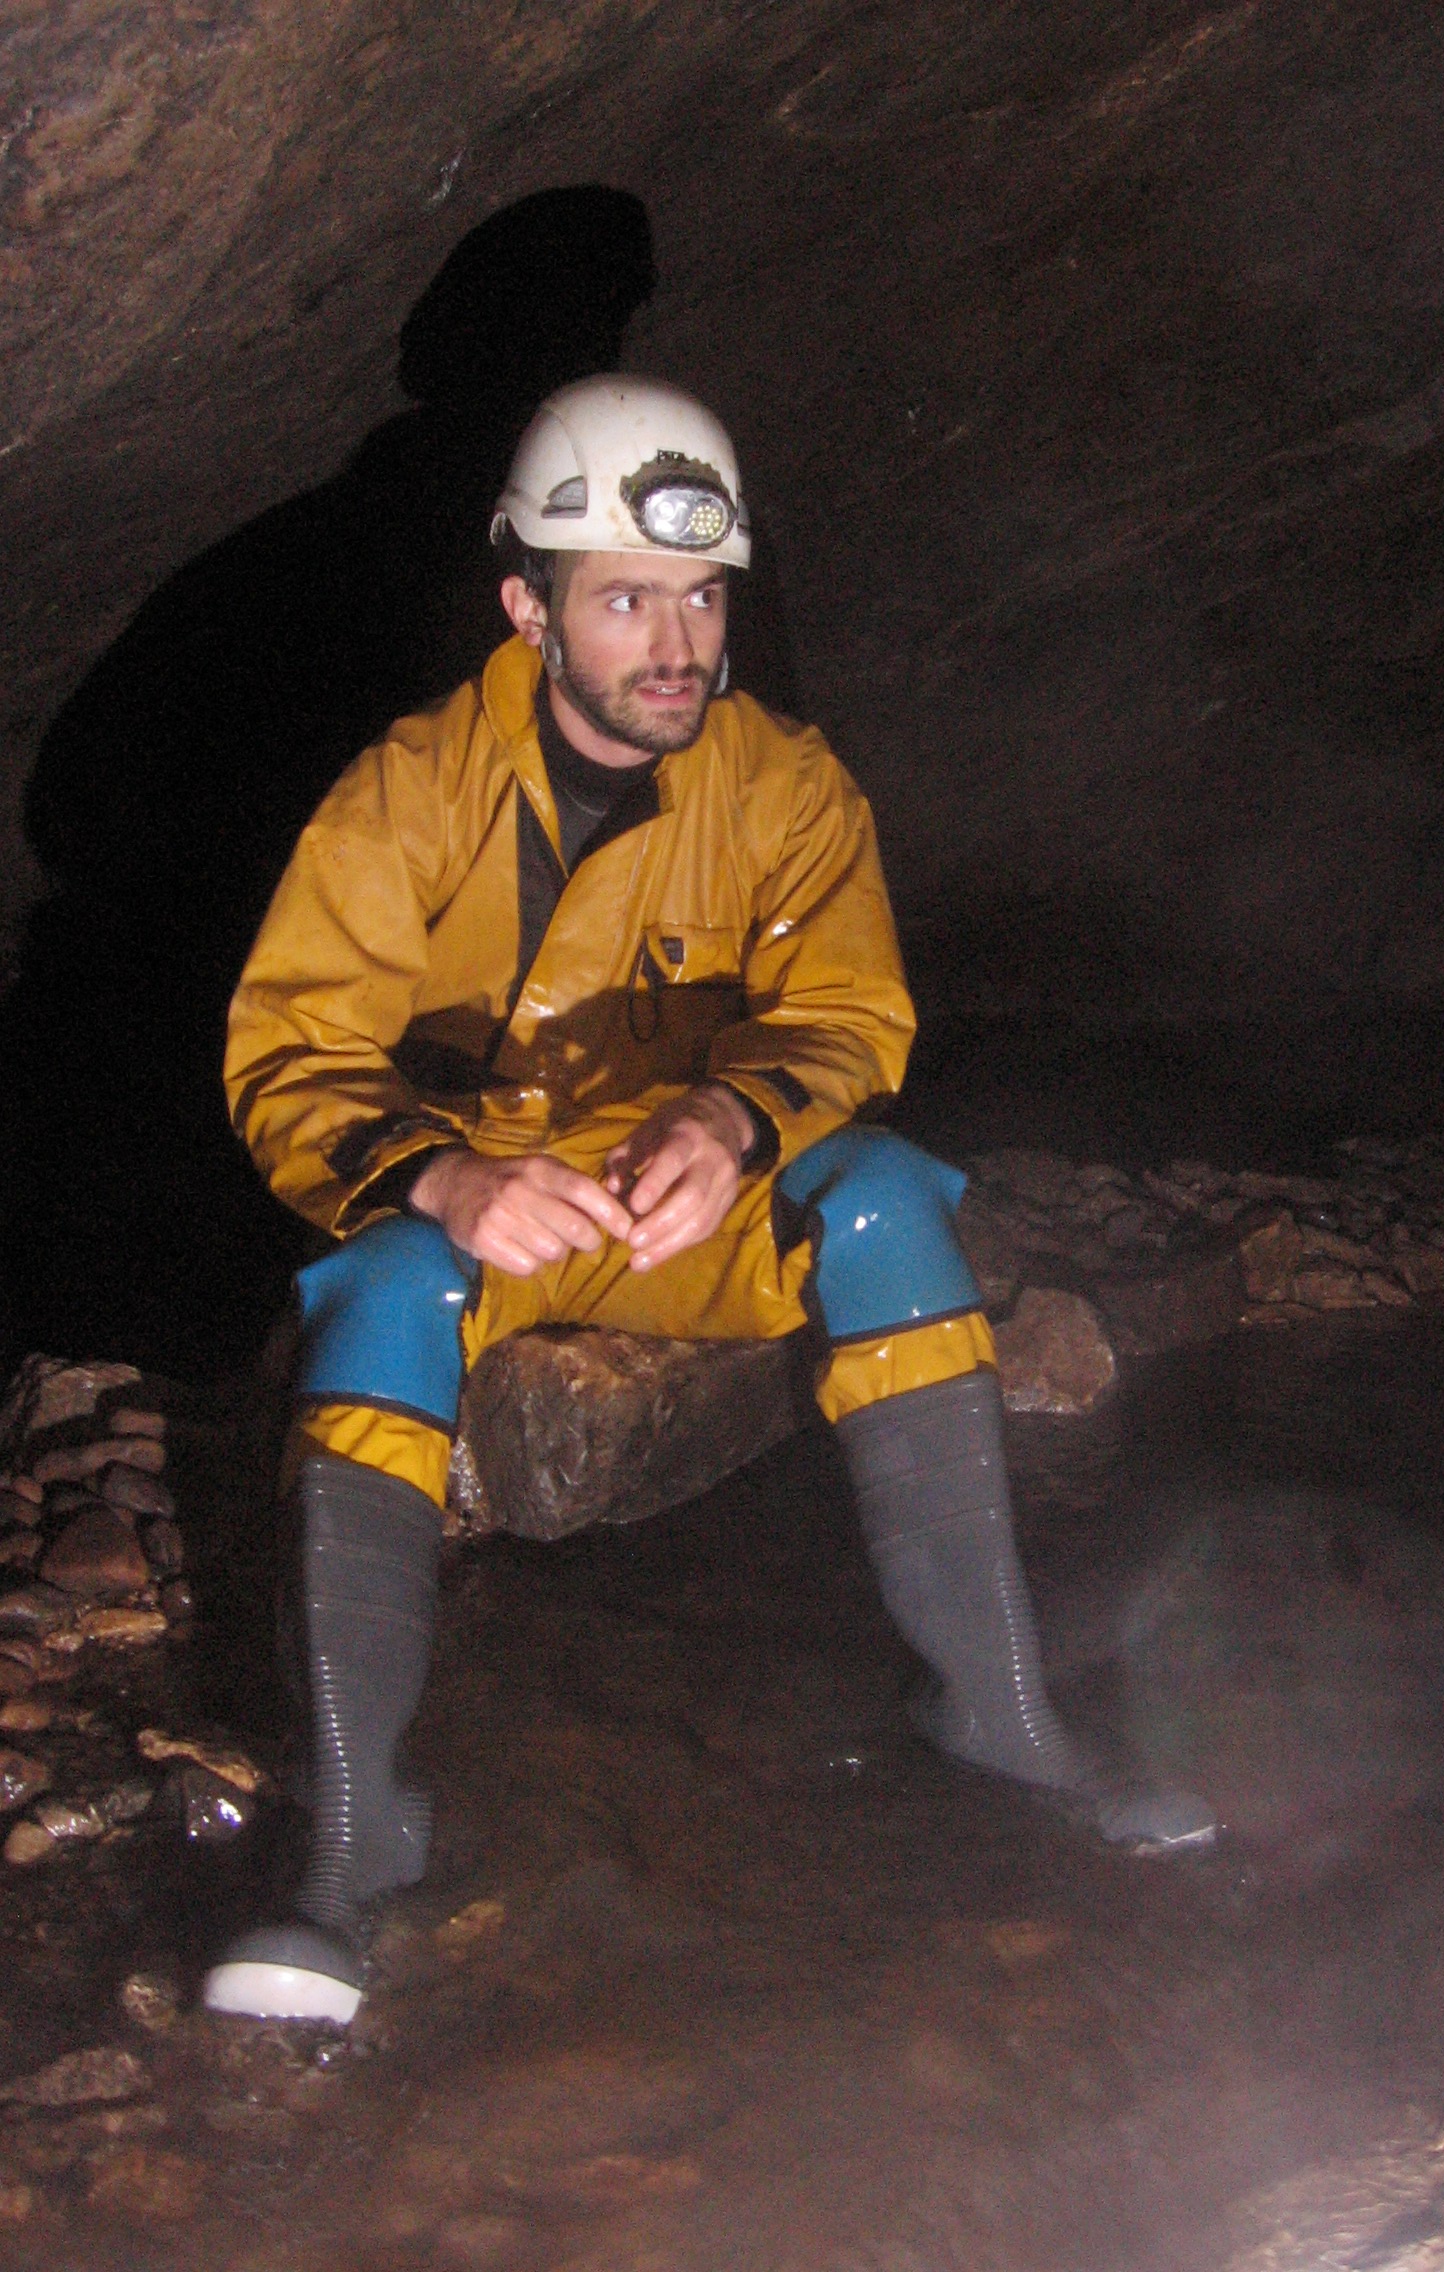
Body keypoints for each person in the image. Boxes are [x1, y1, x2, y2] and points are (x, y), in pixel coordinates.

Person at [203, 376, 1214, 2025]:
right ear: (531, 610)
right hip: (497, 1219)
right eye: (626, 600)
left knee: (882, 1198)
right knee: (381, 1292)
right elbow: (289, 1052)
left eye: (703, 595)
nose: (676, 643)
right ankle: (354, 1835)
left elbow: (849, 1012)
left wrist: (731, 1119)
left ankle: (1001, 1710)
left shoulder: (783, 784)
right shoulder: (409, 792)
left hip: (689, 1210)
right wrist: (446, 1175)